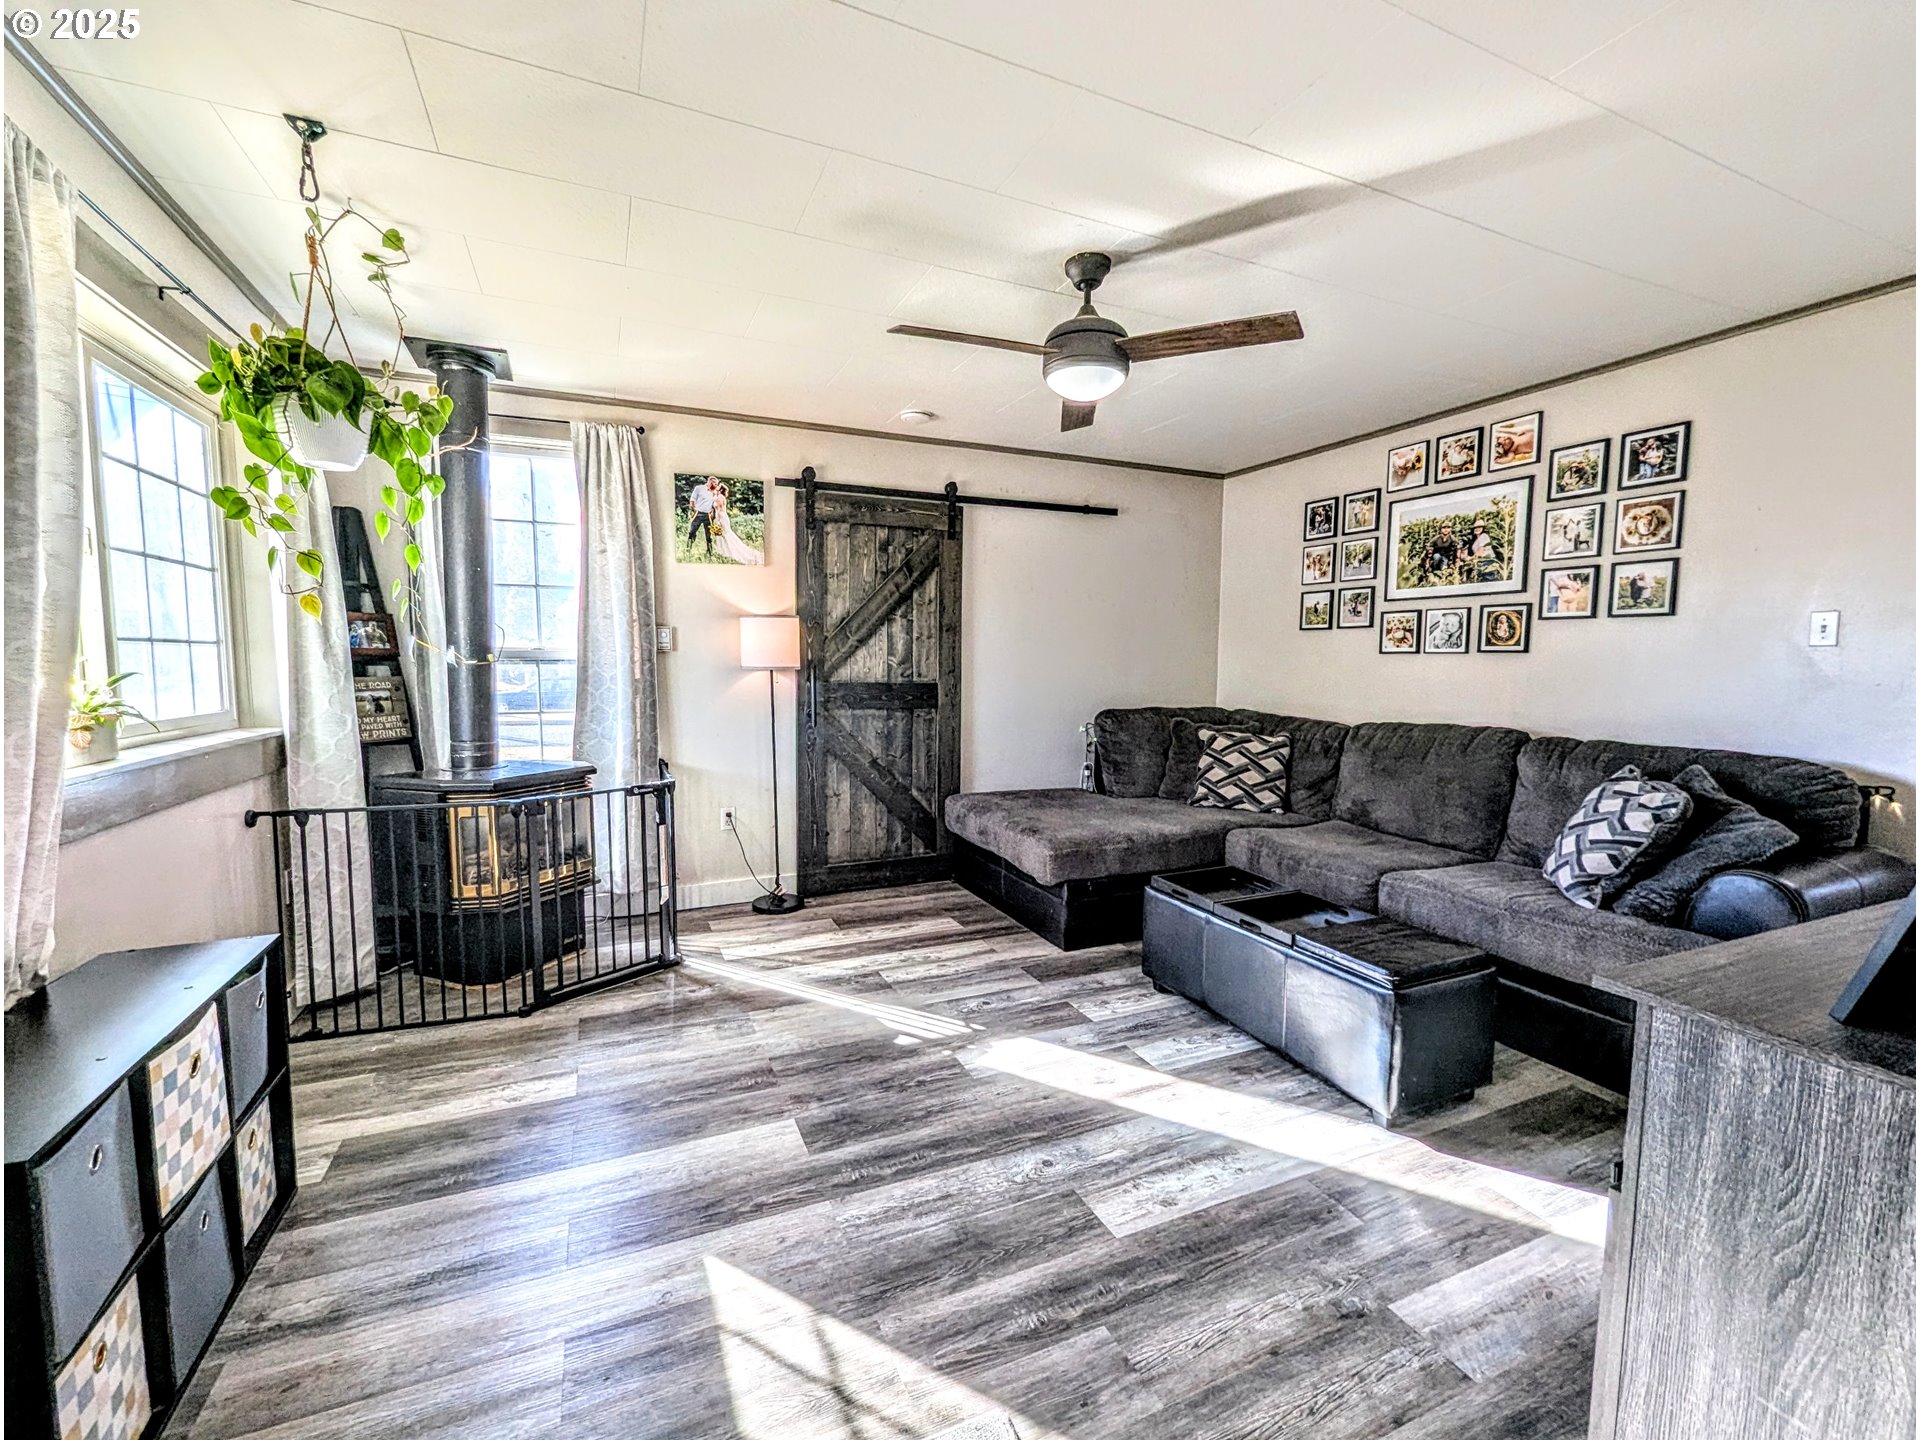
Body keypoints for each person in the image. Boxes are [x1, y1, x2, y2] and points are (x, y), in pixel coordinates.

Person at [709, 482, 764, 566]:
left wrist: (718, 521)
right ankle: (724, 552)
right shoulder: (719, 496)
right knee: (722, 535)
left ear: (720, 489)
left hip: (721, 518)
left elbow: (719, 510)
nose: (717, 486)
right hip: (720, 517)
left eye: (718, 486)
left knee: (725, 535)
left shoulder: (720, 497)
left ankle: (730, 553)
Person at [687, 475, 717, 557]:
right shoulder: (699, 488)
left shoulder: (714, 492)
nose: (715, 485)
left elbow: (715, 503)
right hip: (698, 513)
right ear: (709, 482)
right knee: (692, 531)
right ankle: (688, 549)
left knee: (708, 535)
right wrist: (693, 509)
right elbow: (692, 500)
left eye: (716, 484)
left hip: (708, 515)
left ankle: (709, 552)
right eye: (714, 483)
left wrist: (713, 512)